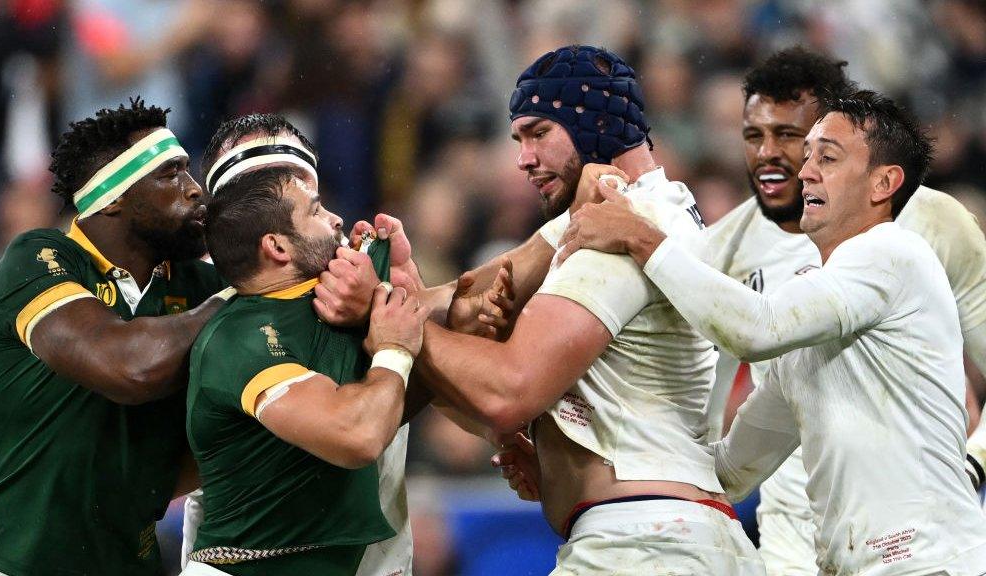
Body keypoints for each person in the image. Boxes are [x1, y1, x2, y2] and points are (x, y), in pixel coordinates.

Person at [558, 89, 986, 574]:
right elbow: (731, 470)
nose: (804, 172)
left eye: (827, 157)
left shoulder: (893, 253)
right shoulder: (810, 325)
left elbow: (754, 329)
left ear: (883, 183)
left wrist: (639, 236)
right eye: (808, 158)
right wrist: (573, 456)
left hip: (933, 564)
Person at [405, 45, 764, 574]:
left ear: (594, 126)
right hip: (675, 534)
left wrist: (400, 322)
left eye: (539, 133)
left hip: (643, 545)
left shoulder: (616, 232)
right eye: (518, 139)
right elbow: (469, 295)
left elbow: (508, 389)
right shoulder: (636, 208)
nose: (523, 159)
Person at [697, 47, 986, 575]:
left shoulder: (912, 238)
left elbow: (758, 328)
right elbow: (726, 456)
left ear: (883, 181)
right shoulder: (723, 252)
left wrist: (975, 459)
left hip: (920, 558)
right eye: (754, 136)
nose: (781, 160)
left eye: (799, 141)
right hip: (804, 551)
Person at [0, 98, 230, 575]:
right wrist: (232, 301)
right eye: (170, 175)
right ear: (113, 197)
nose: (195, 191)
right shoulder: (38, 258)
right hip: (10, 561)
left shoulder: (196, 285)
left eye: (189, 172)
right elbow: (127, 368)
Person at [181, 160, 426, 575]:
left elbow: (461, 314)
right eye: (315, 211)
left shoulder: (338, 298)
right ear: (277, 247)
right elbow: (359, 435)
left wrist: (405, 285)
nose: (336, 219)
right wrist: (394, 350)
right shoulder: (240, 339)